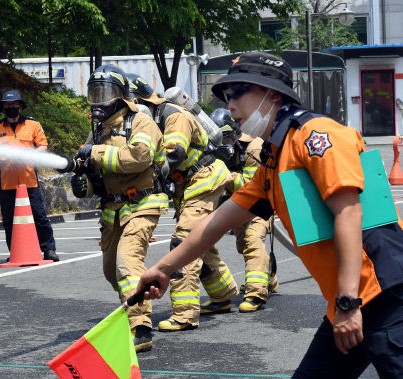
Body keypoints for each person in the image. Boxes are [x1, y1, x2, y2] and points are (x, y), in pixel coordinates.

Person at [136, 51, 403, 376]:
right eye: (226, 96)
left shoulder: (317, 135)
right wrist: (162, 269)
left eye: (238, 93)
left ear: (272, 94)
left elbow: (348, 211)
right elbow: (216, 223)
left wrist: (349, 302)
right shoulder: (273, 163)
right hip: (349, 302)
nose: (230, 105)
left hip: (386, 295)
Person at [61, 65, 168, 352]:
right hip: (112, 210)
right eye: (94, 93)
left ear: (121, 96)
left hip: (142, 203)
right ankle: (132, 305)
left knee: (127, 262)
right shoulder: (97, 132)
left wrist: (94, 154)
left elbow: (138, 157)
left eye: (105, 93)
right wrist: (84, 180)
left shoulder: (141, 123)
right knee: (111, 271)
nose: (99, 100)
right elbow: (96, 171)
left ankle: (140, 326)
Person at [129, 77, 238, 332]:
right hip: (191, 183)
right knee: (200, 241)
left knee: (183, 241)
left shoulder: (174, 115)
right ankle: (223, 294)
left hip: (204, 178)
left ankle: (185, 314)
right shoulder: (152, 120)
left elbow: (174, 153)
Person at [211, 108, 279, 312]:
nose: (224, 145)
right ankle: (270, 279)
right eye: (219, 140)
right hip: (240, 205)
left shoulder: (254, 148)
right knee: (243, 244)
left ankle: (256, 292)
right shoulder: (219, 151)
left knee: (251, 239)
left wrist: (226, 176)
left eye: (226, 139)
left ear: (234, 133)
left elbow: (253, 187)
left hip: (262, 204)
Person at [0, 90, 59, 263]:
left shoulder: (33, 124)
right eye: (7, 106)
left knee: (39, 216)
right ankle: (15, 251)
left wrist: (30, 155)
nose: (11, 108)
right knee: (9, 220)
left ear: (20, 106)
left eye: (14, 105)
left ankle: (48, 249)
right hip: (7, 183)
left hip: (29, 181)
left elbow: (43, 145)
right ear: (3, 107)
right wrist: (6, 157)